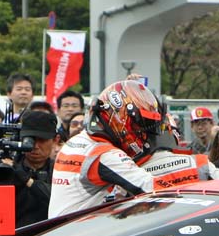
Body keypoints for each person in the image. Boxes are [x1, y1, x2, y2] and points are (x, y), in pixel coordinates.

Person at [49, 80, 165, 217]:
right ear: (119, 116)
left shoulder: (78, 140)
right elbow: (152, 187)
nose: (143, 134)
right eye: (139, 126)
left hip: (64, 223)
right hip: (79, 227)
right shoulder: (103, 154)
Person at [10, 110, 58, 227]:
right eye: (30, 140)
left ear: (55, 140)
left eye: (42, 140)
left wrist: (25, 178)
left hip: (51, 233)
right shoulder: (8, 169)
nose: (35, 146)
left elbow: (57, 199)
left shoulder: (60, 171)